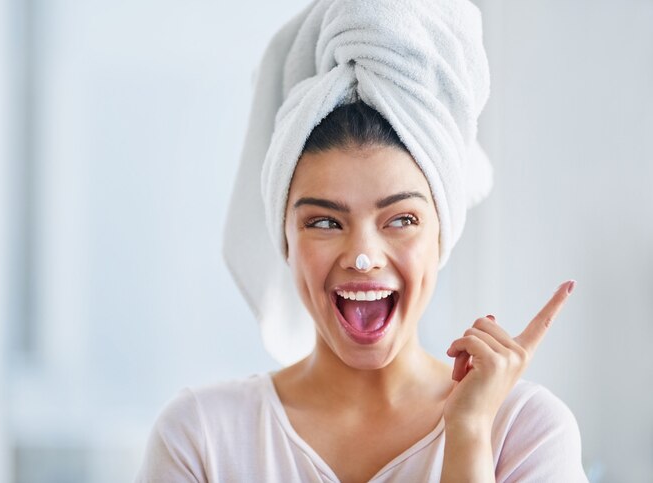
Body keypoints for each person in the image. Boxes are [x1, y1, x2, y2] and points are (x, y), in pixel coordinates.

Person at [136, 1, 587, 482]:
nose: (363, 257)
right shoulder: (202, 438)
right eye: (325, 223)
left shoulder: (524, 431)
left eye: (401, 219)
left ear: (442, 232)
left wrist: (470, 433)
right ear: (285, 236)